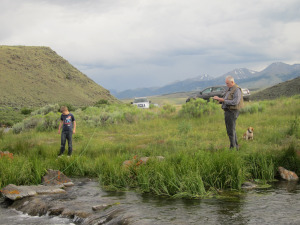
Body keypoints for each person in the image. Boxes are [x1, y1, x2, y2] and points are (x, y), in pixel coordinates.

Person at [213, 76, 243, 150]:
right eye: (226, 83)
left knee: (230, 130)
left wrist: (222, 100)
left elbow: (235, 102)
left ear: (232, 82)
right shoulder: (229, 89)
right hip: (228, 111)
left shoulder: (237, 90)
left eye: (227, 83)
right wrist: (219, 100)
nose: (226, 85)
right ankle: (235, 146)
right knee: (231, 129)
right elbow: (226, 99)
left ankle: (233, 148)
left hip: (232, 112)